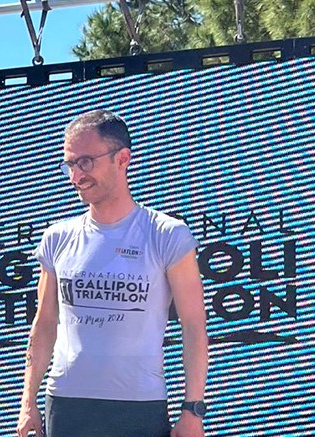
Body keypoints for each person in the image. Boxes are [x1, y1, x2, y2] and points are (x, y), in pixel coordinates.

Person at [15, 110, 209, 437]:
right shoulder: (57, 237)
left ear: (122, 159)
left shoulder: (166, 234)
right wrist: (27, 403)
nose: (76, 176)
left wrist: (193, 410)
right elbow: (44, 323)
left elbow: (193, 325)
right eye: (70, 164)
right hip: (66, 404)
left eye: (85, 162)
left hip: (138, 405)